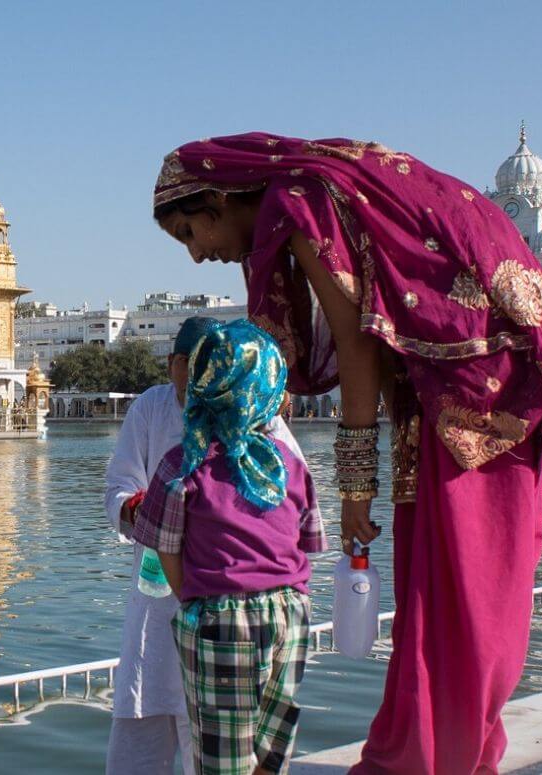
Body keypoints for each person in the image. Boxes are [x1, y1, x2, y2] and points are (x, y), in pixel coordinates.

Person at [153, 133, 542, 774]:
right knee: (460, 592)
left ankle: (428, 758)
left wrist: (355, 487)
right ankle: (443, 753)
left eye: (190, 233)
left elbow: (358, 348)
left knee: (467, 596)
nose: (199, 255)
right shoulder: (317, 190)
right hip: (469, 390)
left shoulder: (299, 201)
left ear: (220, 200)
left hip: (474, 393)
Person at [104, 316, 316, 775]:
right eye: (187, 363)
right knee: (151, 726)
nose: (194, 375)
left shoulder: (257, 423)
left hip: (212, 613)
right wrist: (136, 510)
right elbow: (120, 486)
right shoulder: (151, 408)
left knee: (229, 747)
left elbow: (296, 516)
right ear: (172, 364)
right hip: (180, 603)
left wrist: (200, 594)